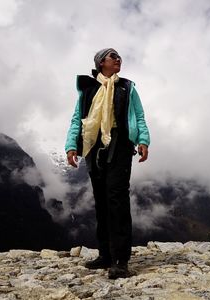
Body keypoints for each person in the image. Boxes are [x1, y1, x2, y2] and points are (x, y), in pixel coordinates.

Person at [64, 48, 150, 279]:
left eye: (119, 57)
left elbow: (139, 116)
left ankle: (121, 260)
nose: (118, 60)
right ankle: (105, 255)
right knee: (101, 201)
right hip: (93, 148)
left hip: (120, 146)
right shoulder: (88, 89)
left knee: (117, 200)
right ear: (102, 63)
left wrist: (143, 139)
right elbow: (77, 118)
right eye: (114, 57)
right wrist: (72, 145)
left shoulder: (127, 87)